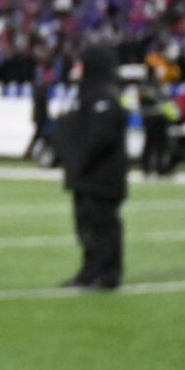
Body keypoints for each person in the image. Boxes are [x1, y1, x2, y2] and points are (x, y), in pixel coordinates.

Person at [55, 43, 127, 290]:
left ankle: (108, 273)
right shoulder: (86, 95)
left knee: (103, 226)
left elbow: (102, 137)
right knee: (86, 226)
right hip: (86, 176)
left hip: (102, 176)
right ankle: (90, 270)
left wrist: (81, 159)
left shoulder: (104, 96)